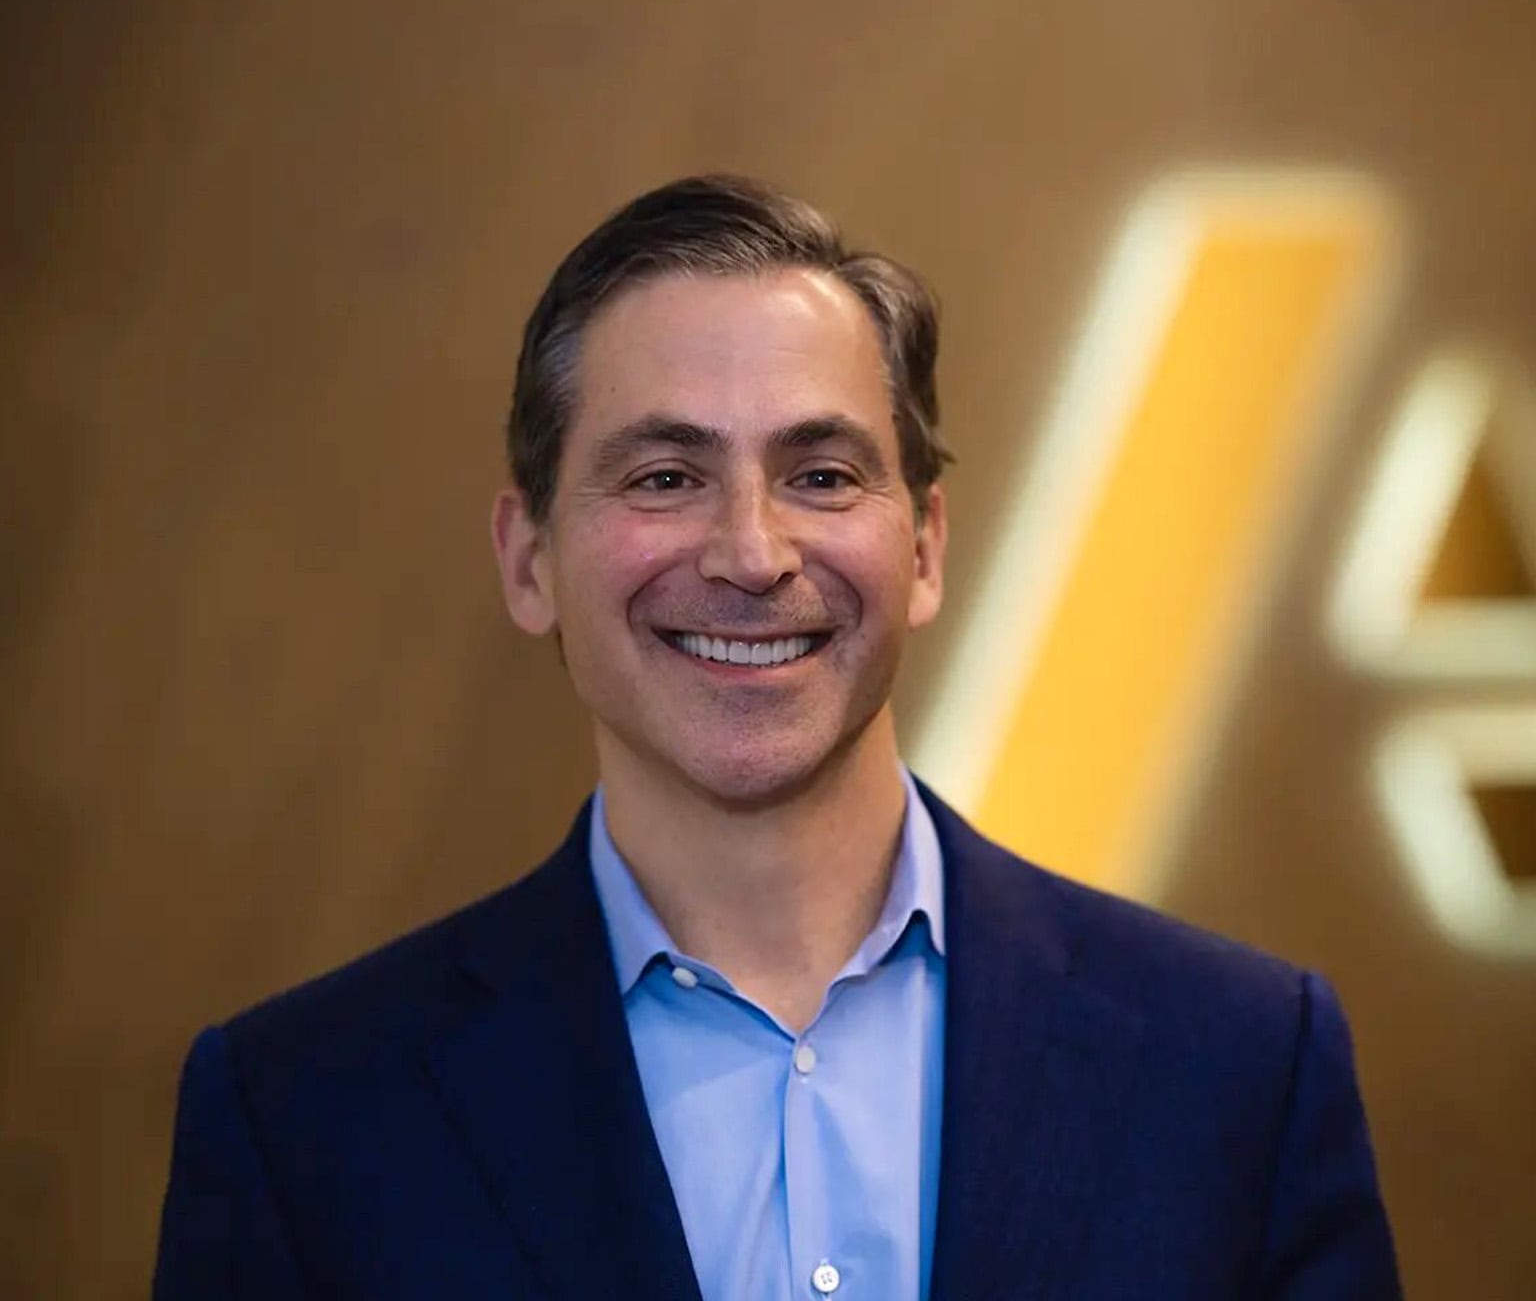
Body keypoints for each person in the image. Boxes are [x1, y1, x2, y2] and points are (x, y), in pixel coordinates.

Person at [154, 174, 1402, 1299]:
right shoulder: (300, 1117)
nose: (751, 554)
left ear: (923, 546)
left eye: (819, 475)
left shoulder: (1240, 1063)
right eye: (663, 477)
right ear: (528, 560)